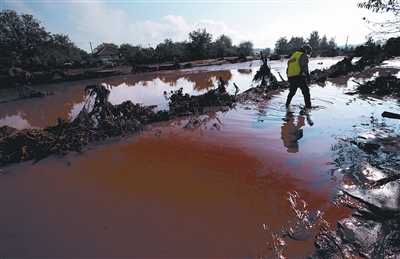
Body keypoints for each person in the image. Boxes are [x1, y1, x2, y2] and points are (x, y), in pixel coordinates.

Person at [285, 44, 313, 109]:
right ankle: (308, 107)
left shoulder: (293, 56)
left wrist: (289, 78)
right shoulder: (303, 56)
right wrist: (308, 77)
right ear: (306, 50)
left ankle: (287, 105)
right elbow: (304, 67)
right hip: (299, 76)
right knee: (306, 92)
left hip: (291, 77)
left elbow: (288, 68)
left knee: (292, 92)